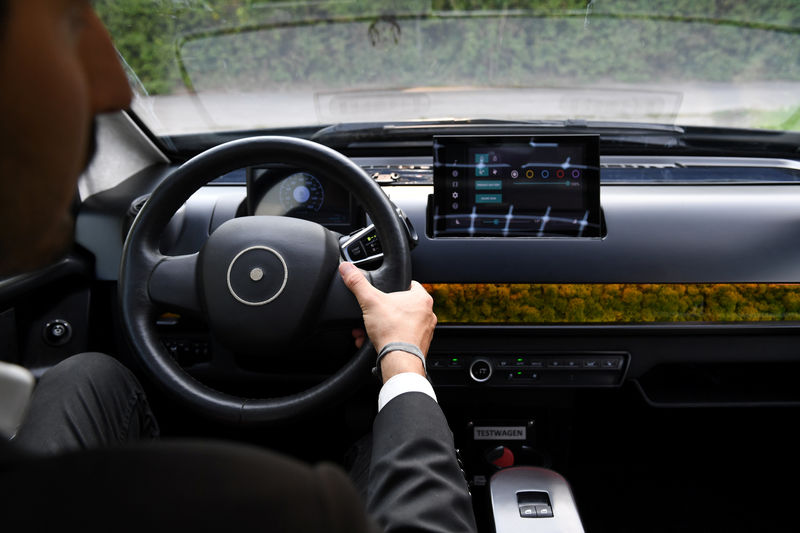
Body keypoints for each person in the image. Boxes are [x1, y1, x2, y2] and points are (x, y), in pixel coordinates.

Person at [0, 1, 477, 531]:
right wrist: (402, 358)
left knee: (89, 374)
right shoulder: (297, 503)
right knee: (373, 445)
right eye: (68, 25)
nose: (114, 88)